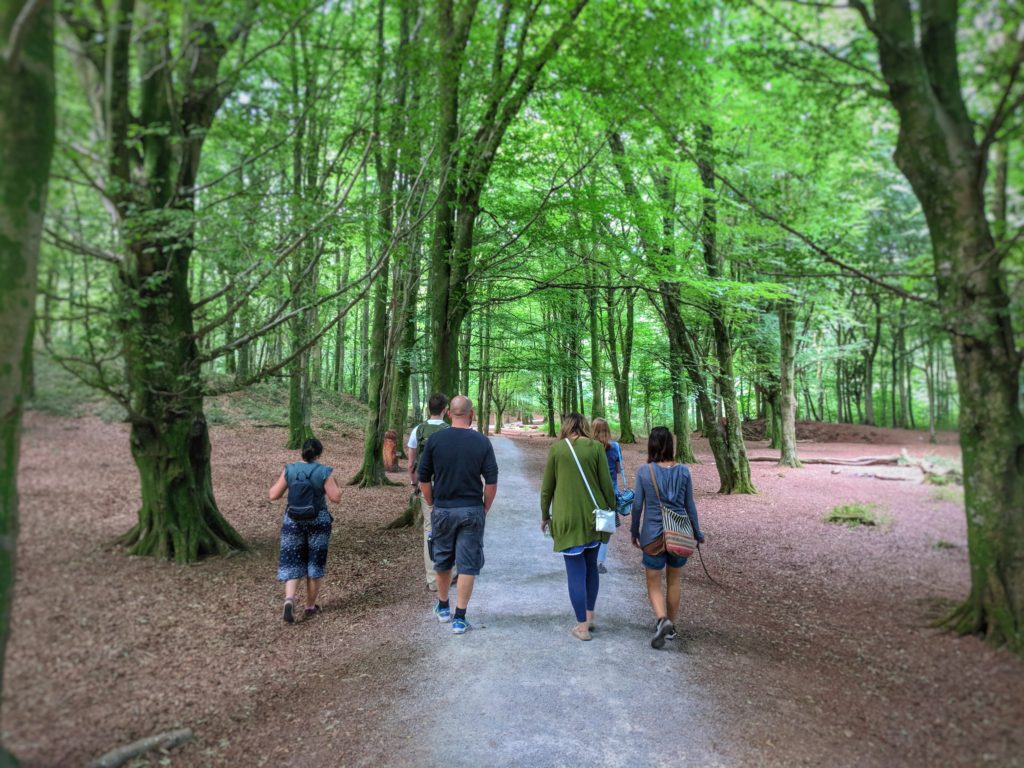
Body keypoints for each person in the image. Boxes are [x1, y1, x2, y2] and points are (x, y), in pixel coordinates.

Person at [418, 395, 498, 635]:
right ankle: (460, 617)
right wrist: (484, 507)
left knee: (442, 559)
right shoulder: (482, 442)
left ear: (450, 413)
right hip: (471, 508)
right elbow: (491, 481)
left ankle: (443, 607)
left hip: (443, 508)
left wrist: (432, 502)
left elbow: (423, 477)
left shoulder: (435, 440)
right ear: (471, 414)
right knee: (467, 565)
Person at [540, 413, 617, 641]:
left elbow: (547, 488)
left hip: (567, 520)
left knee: (575, 571)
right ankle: (589, 617)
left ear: (566, 427)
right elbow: (606, 485)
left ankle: (581, 627)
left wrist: (545, 515)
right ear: (584, 426)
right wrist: (611, 510)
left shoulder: (557, 449)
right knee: (591, 567)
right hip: (594, 519)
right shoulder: (595, 448)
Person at [630, 426, 705, 649]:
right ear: (671, 445)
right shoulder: (683, 471)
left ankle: (662, 619)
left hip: (652, 535)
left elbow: (636, 506)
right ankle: (670, 626)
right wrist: (697, 533)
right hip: (680, 534)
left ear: (651, 445)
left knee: (654, 582)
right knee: (674, 580)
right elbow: (689, 505)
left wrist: (634, 532)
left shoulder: (645, 471)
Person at [269, 437, 342, 623]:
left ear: (302, 452)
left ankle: (289, 600)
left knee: (292, 561)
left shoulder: (289, 469)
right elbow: (335, 497)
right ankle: (310, 606)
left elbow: (273, 495)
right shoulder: (323, 471)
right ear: (319, 454)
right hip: (318, 521)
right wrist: (336, 487)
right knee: (314, 564)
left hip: (292, 521)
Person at [407, 393, 450, 592]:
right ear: (445, 409)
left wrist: (414, 483)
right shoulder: (450, 430)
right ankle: (451, 572)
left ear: (428, 409)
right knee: (449, 527)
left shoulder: (418, 430)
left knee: (429, 529)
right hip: (447, 485)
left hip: (426, 485)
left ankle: (433, 579)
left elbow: (411, 463)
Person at [591, 417, 624, 574]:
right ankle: (599, 562)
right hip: (610, 494)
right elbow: (618, 470)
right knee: (605, 528)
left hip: (592, 493)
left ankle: (589, 558)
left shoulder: (589, 447)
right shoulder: (615, 447)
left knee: (592, 527)